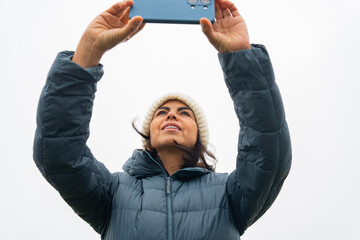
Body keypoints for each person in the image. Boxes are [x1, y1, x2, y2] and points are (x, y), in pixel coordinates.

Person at [33, 0, 292, 239]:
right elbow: (59, 155)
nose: (171, 114)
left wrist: (241, 59)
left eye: (184, 113)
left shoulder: (230, 194)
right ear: (149, 134)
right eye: (161, 112)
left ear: (198, 136)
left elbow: (269, 154)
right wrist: (88, 52)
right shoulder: (112, 193)